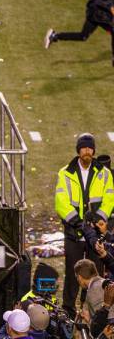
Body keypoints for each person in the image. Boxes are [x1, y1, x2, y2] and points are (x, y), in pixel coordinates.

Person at [53, 133, 114, 314]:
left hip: (95, 233)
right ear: (78, 150)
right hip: (74, 232)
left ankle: (92, 308)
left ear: (93, 151)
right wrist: (79, 223)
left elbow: (110, 198)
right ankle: (69, 310)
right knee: (74, 274)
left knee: (96, 275)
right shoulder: (65, 173)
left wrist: (97, 221)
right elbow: (61, 202)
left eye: (90, 148)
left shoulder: (104, 173)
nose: (87, 151)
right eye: (84, 148)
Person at [45, 0, 114, 65]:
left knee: (83, 36)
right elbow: (96, 2)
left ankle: (54, 36)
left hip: (99, 15)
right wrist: (110, 7)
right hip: (97, 15)